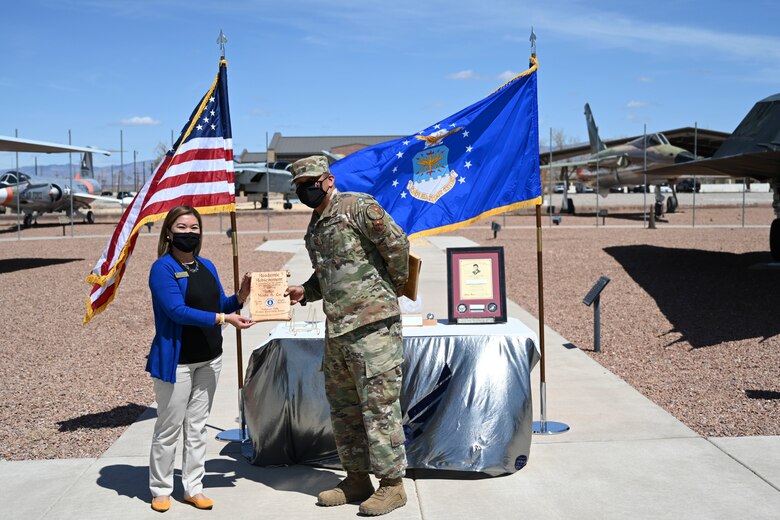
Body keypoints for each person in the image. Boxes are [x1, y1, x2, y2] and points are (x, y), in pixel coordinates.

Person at [285, 155, 410, 516]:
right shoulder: (316, 226)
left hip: (373, 329)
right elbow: (328, 274)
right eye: (299, 187)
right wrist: (304, 292)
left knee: (379, 409)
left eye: (311, 182)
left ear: (327, 179)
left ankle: (392, 485)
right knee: (344, 410)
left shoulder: (358, 207)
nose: (306, 190)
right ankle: (356, 478)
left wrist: (391, 288)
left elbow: (397, 246)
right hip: (337, 331)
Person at [146, 205, 254, 513]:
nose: (189, 233)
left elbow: (221, 302)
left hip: (210, 360)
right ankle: (161, 488)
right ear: (169, 232)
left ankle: (193, 487)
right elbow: (176, 311)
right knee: (169, 427)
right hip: (176, 362)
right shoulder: (162, 268)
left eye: (194, 228)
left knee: (196, 427)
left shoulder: (205, 265)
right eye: (182, 227)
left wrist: (242, 296)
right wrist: (224, 318)